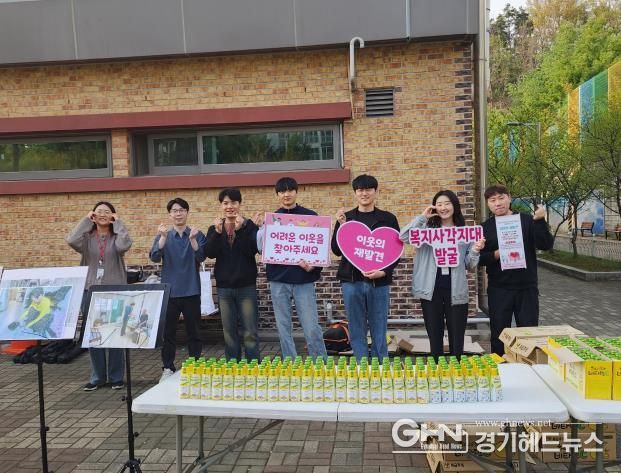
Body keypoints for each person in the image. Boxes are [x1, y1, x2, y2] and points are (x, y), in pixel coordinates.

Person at [399, 190, 485, 360]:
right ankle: (437, 369)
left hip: (456, 289)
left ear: (455, 206)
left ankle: (456, 368)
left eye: (447, 203)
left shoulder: (465, 233)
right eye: (439, 204)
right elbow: (404, 236)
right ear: (434, 207)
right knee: (434, 334)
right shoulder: (426, 230)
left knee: (457, 335)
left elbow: (470, 265)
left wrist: (475, 250)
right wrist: (422, 217)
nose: (443, 207)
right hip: (431, 289)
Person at [256, 177, 327, 360]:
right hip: (278, 279)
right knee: (283, 326)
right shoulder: (272, 219)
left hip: (303, 279)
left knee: (311, 326)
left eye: (290, 190)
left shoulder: (311, 217)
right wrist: (260, 229)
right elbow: (262, 249)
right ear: (277, 195)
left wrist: (313, 268)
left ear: (296, 192)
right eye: (282, 191)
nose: (286, 194)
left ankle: (320, 363)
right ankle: (290, 362)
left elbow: (319, 248)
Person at [478, 184, 554, 355]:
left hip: (526, 287)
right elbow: (479, 259)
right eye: (492, 200)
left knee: (528, 333)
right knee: (499, 333)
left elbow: (546, 244)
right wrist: (496, 254)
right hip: (499, 288)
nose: (498, 203)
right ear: (488, 204)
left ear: (509, 198)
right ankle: (500, 365)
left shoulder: (527, 220)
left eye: (501, 198)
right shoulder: (485, 228)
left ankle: (528, 365)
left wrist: (540, 220)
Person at [331, 174, 400, 361]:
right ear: (355, 193)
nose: (364, 193)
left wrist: (383, 272)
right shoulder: (347, 218)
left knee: (379, 325)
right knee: (356, 326)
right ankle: (362, 364)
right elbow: (336, 250)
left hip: (379, 282)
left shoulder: (388, 219)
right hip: (351, 281)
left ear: (376, 192)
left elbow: (396, 252)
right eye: (360, 190)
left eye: (369, 189)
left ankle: (380, 364)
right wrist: (341, 226)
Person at [66, 201, 132, 391]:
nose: (103, 214)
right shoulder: (87, 238)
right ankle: (97, 377)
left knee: (115, 333)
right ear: (93, 215)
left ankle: (116, 377)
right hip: (91, 289)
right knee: (94, 335)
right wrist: (86, 221)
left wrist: (119, 224)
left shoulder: (116, 236)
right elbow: (71, 240)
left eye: (107, 212)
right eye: (99, 212)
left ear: (113, 215)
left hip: (115, 290)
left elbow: (124, 245)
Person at [150, 197, 207, 382]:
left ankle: (195, 365)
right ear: (170, 214)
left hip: (191, 290)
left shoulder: (197, 234)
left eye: (182, 210)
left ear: (187, 213)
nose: (178, 213)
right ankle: (167, 367)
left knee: (194, 332)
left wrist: (193, 240)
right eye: (175, 211)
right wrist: (162, 238)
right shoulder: (164, 235)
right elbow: (154, 257)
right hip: (170, 292)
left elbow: (202, 256)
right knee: (168, 334)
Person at [205, 188, 260, 361]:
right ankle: (233, 365)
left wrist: (241, 230)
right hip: (224, 288)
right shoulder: (215, 228)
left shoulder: (249, 226)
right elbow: (210, 253)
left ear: (239, 204)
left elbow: (251, 251)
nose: (230, 206)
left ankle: (253, 365)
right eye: (225, 203)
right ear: (221, 205)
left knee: (250, 330)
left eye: (234, 202)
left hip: (246, 286)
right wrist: (217, 233)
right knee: (229, 331)